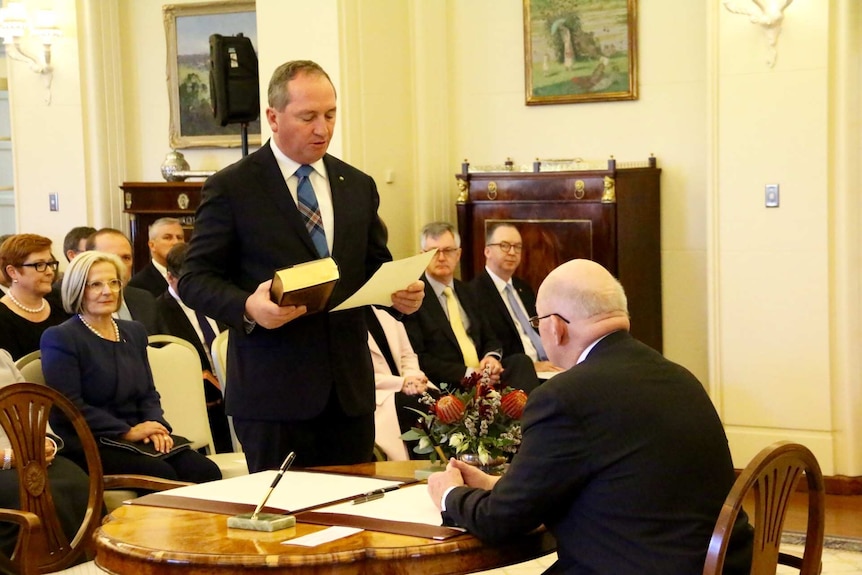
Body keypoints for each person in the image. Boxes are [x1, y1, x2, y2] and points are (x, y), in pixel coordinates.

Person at [427, 259, 753, 575]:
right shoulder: (679, 377)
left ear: (554, 327)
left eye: (538, 324)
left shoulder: (565, 396)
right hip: (717, 563)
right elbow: (624, 481)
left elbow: (500, 522)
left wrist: (448, 493)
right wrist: (499, 486)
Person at [178, 60, 424, 472]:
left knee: (353, 520)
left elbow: (373, 269)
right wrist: (248, 308)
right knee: (283, 526)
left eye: (330, 115)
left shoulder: (356, 185)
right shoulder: (233, 187)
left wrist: (401, 296)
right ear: (273, 117)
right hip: (274, 396)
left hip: (349, 393)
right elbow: (194, 279)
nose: (322, 129)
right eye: (308, 117)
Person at [41, 251, 221, 483]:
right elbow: (69, 406)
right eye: (95, 284)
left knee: (205, 471)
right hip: (92, 440)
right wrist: (126, 432)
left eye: (113, 282)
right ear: (77, 289)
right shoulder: (61, 337)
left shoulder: (133, 331)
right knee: (162, 475)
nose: (108, 291)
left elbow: (148, 393)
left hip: (140, 435)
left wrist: (156, 426)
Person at [404, 222, 539, 393]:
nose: (441, 257)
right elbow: (420, 358)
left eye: (448, 250)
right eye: (433, 252)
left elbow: (490, 338)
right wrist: (469, 374)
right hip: (451, 382)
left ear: (458, 254)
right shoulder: (414, 297)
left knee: (521, 362)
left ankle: (529, 418)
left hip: (485, 374)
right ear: (421, 255)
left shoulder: (468, 291)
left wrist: (491, 358)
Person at [0, 348, 92, 558]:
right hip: (4, 465)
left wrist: (45, 439)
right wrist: (8, 457)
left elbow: (31, 403)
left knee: (76, 482)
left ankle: (92, 565)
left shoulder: (2, 357)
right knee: (34, 494)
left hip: (30, 455)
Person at [156, 243, 232, 453]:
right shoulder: (158, 312)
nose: (201, 286)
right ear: (171, 277)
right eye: (191, 280)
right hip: (195, 406)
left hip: (234, 399)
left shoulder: (219, 300)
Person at [469, 222, 560, 374]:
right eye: (504, 245)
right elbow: (487, 345)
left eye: (517, 247)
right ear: (487, 251)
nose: (512, 252)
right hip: (516, 372)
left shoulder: (523, 287)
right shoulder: (474, 293)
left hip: (549, 365)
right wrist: (531, 366)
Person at [366, 305, 432, 461]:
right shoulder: (346, 323)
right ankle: (420, 469)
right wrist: (401, 382)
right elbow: (358, 374)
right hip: (376, 393)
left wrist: (413, 379)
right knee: (411, 407)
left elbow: (407, 356)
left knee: (441, 401)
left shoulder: (388, 314)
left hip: (407, 385)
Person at [0, 234, 69, 359]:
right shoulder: (3, 317)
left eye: (50, 264)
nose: (49, 272)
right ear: (13, 272)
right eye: (39, 265)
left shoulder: (60, 301)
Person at [87, 228, 162, 334]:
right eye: (110, 258)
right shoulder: (72, 309)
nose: (120, 265)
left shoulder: (145, 300)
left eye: (126, 258)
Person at [129, 217, 185, 298]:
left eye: (179, 238)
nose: (176, 242)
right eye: (168, 237)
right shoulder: (139, 284)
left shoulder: (193, 274)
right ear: (152, 245)